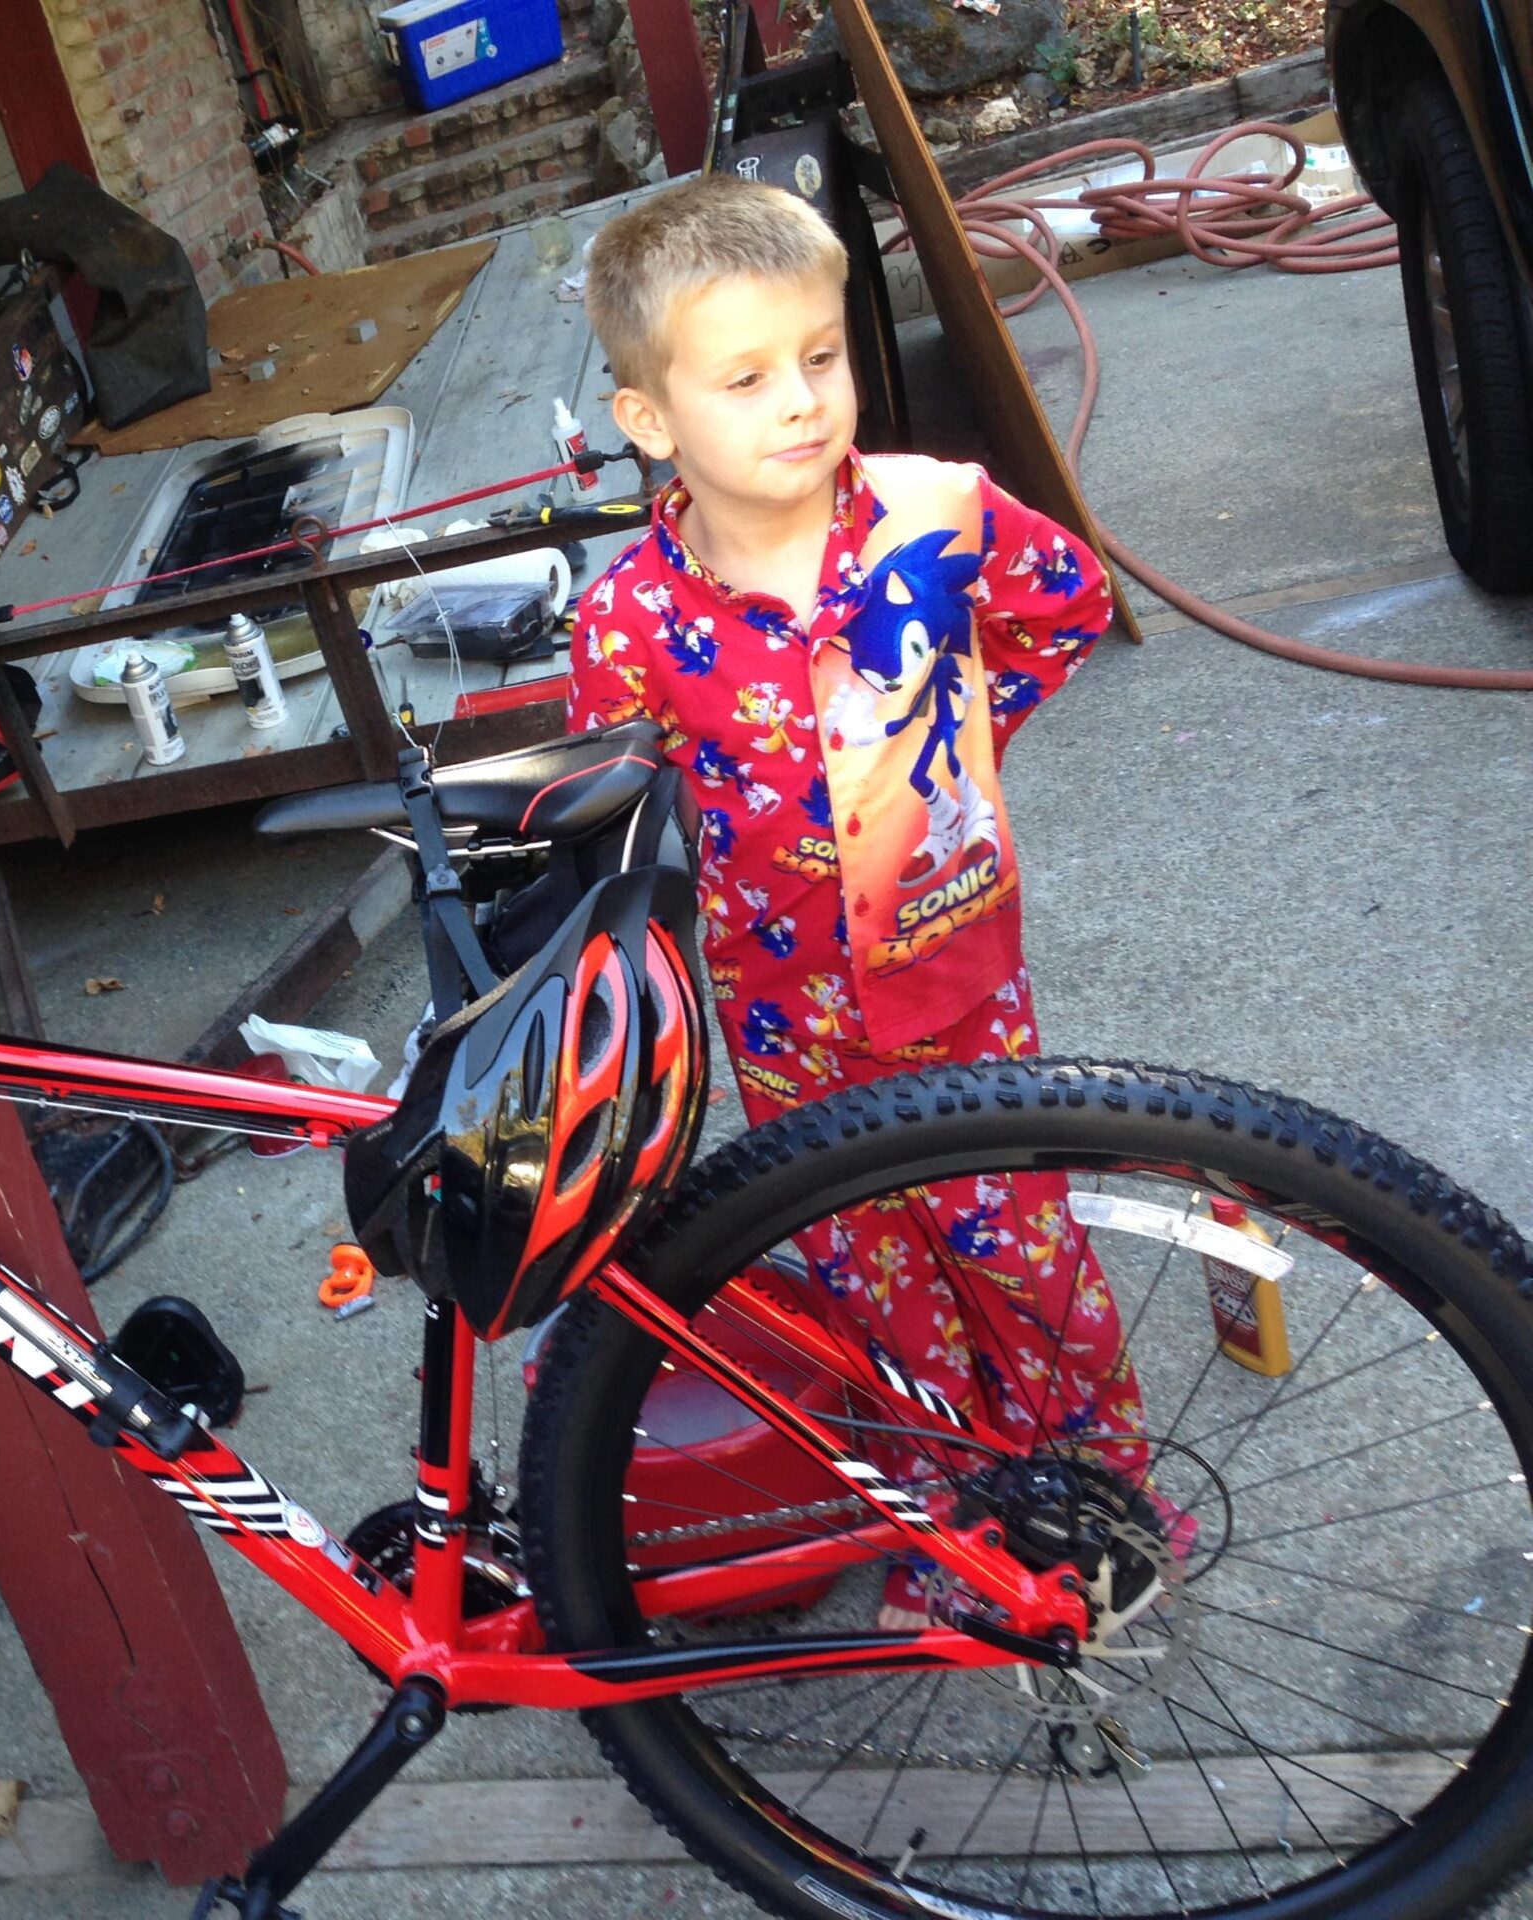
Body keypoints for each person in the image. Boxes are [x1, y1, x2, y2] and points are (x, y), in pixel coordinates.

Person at [566, 172, 1145, 1628]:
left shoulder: (935, 513)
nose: (803, 400)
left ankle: (1104, 1490)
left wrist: (966, 726)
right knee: (866, 1262)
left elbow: (1069, 603)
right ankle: (953, 1511)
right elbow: (606, 784)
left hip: (957, 982)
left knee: (1013, 1243)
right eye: (747, 376)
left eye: (819, 356)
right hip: (783, 1019)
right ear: (652, 418)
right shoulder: (630, 615)